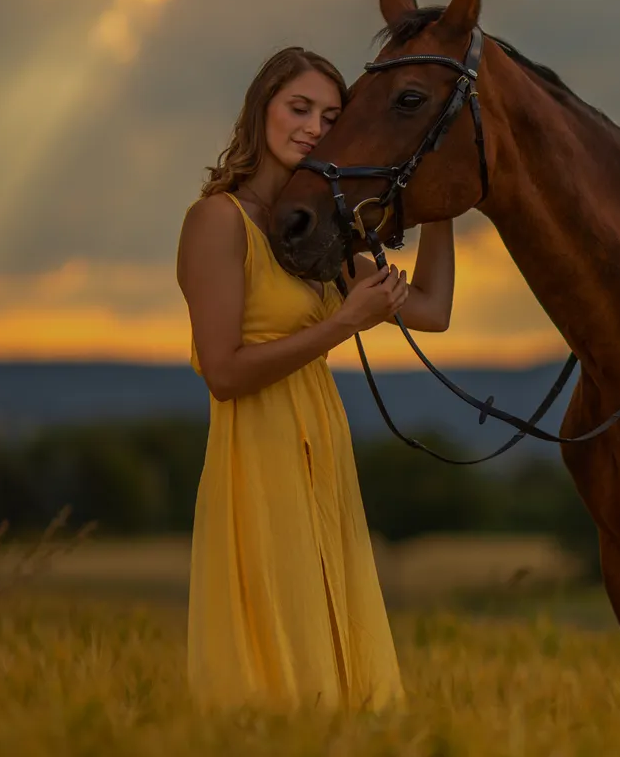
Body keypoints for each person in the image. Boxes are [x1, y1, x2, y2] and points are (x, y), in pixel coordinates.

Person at [176, 45, 455, 711]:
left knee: (335, 645)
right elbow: (223, 373)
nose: (312, 128)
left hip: (322, 451)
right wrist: (343, 324)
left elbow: (432, 309)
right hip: (257, 457)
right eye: (298, 108)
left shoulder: (317, 236)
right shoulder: (218, 221)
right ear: (261, 110)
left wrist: (441, 202)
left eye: (331, 118)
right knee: (278, 652)